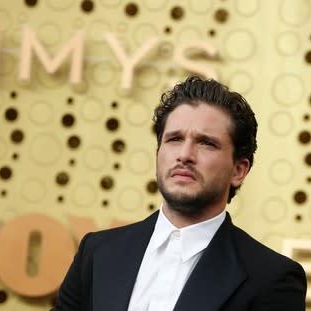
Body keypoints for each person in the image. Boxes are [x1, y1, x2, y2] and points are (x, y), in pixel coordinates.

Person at [51, 76, 307, 311]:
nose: (184, 155)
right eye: (174, 139)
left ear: (238, 170)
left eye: (206, 143)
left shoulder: (272, 278)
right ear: (158, 153)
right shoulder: (97, 253)